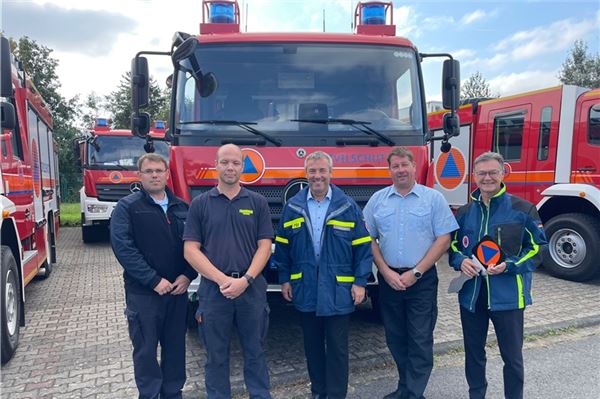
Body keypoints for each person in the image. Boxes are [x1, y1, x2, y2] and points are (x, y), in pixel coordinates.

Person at [273, 151, 373, 399]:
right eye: (312, 171)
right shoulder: (293, 207)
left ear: (331, 172)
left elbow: (362, 248)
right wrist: (285, 279)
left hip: (338, 289)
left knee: (338, 348)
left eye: (322, 171)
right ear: (305, 174)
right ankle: (318, 392)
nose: (317, 176)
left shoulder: (346, 206)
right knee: (312, 347)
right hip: (304, 287)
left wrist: (360, 282)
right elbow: (282, 248)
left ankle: (337, 395)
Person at [448, 152, 547, 399]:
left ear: (503, 174)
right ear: (474, 177)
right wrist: (460, 261)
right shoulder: (464, 212)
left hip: (509, 297)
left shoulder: (522, 209)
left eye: (493, 172)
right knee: (473, 354)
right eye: (482, 173)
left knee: (512, 357)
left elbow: (539, 247)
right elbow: (453, 247)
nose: (487, 178)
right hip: (472, 295)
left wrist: (510, 265)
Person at [363, 147, 458, 399]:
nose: (401, 170)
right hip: (389, 279)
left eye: (405, 164)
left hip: (422, 280)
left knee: (419, 338)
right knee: (395, 338)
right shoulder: (378, 200)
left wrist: (416, 272)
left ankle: (414, 394)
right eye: (395, 166)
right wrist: (384, 271)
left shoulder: (432, 199)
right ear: (390, 170)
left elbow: (444, 239)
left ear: (414, 166)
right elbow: (368, 237)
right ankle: (405, 387)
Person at [183, 144, 273, 399]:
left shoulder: (258, 203)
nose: (230, 167)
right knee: (216, 356)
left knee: (255, 352)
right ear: (216, 165)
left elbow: (265, 246)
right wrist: (223, 280)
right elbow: (190, 250)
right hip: (213, 292)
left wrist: (246, 280)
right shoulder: (200, 204)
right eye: (225, 162)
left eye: (235, 162)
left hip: (251, 291)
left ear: (243, 166)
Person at [111, 153, 197, 399]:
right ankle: (149, 395)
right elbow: (124, 249)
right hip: (144, 294)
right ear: (140, 175)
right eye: (149, 171)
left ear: (167, 174)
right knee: (146, 351)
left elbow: (195, 246)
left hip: (177, 293)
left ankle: (173, 393)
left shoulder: (182, 207)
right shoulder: (127, 208)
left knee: (175, 350)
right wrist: (153, 280)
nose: (155, 175)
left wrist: (187, 275)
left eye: (159, 170)